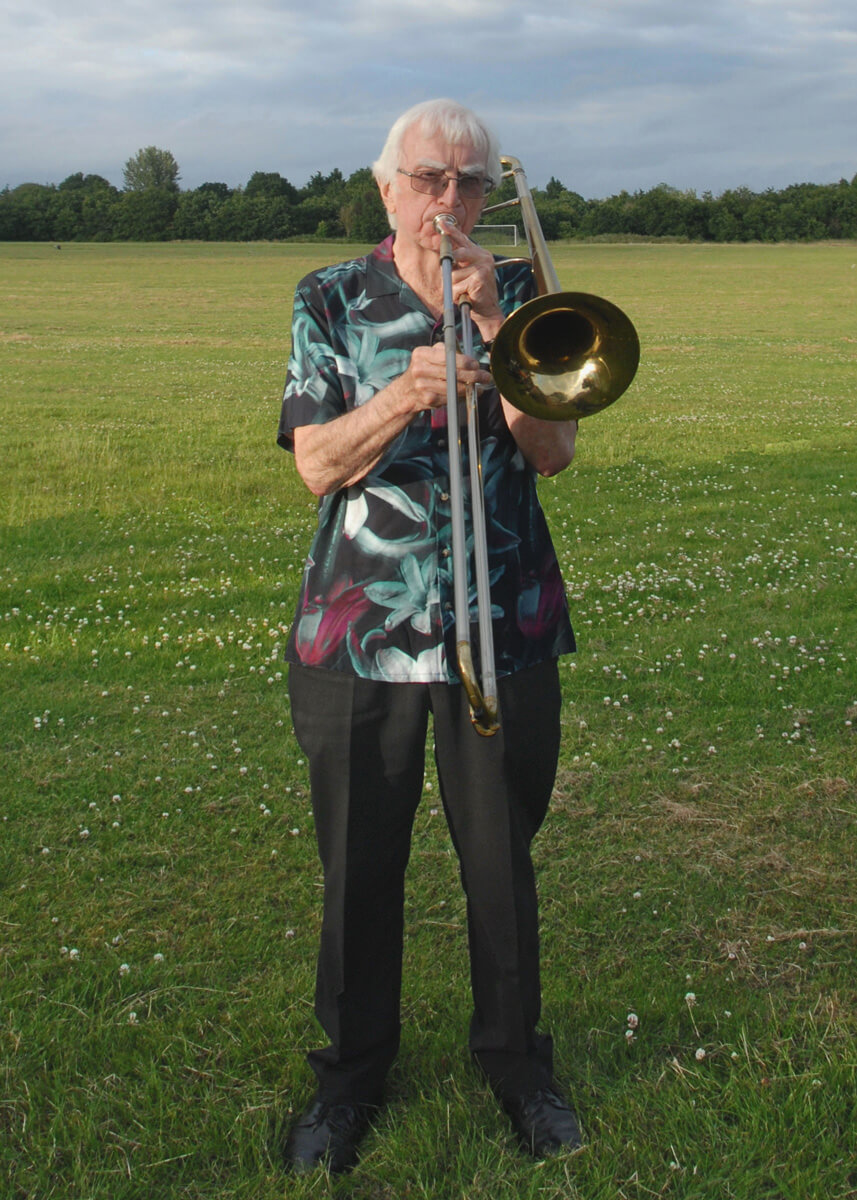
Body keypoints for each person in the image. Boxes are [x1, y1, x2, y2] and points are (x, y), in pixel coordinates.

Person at [277, 98, 581, 1176]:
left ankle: (517, 1070)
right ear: (386, 187)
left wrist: (499, 332)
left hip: (503, 621)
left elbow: (552, 454)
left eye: (468, 183)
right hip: (362, 633)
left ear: (489, 196)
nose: (447, 203)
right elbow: (314, 464)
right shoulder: (330, 297)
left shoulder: (530, 298)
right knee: (360, 863)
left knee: (502, 863)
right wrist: (404, 395)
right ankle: (349, 1082)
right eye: (427, 180)